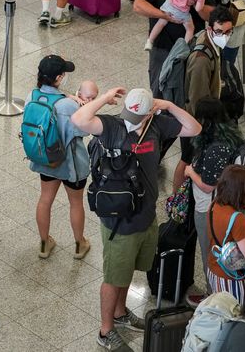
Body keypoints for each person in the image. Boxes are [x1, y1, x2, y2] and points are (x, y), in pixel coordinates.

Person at [71, 87, 201, 352]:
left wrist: (167, 104)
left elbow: (194, 128)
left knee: (127, 270)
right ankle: (106, 330)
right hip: (119, 223)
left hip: (146, 216)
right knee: (113, 275)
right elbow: (79, 120)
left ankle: (120, 313)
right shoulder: (109, 126)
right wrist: (104, 98)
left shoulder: (157, 125)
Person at [27, 56, 92, 261]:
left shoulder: (32, 96)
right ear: (58, 78)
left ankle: (44, 243)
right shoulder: (68, 106)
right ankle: (79, 244)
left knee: (45, 199)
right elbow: (82, 132)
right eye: (63, 74)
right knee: (75, 203)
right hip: (71, 163)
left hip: (45, 160)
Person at [133, 0, 215, 96]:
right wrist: (164, 15)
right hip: (161, 47)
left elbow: (211, 15)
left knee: (186, 90)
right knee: (158, 88)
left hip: (189, 50)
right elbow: (138, 5)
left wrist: (196, 3)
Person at [183, 99, 243, 306]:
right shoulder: (231, 135)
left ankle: (213, 298)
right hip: (228, 205)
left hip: (209, 208)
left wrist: (190, 172)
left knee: (209, 252)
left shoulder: (215, 147)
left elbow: (208, 185)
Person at [172, 6, 235, 190]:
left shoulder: (210, 42)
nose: (225, 35)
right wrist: (203, 129)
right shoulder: (201, 59)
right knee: (186, 160)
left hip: (196, 117)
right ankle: (176, 201)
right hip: (194, 120)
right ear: (209, 29)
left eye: (228, 31)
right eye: (220, 31)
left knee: (188, 159)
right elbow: (198, 100)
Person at [206, 165, 245, 307]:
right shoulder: (237, 219)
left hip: (214, 270)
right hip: (231, 279)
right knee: (234, 318)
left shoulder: (213, 205)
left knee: (221, 312)